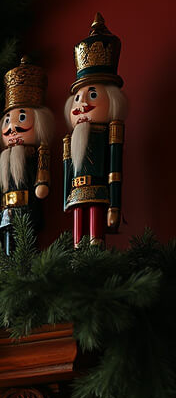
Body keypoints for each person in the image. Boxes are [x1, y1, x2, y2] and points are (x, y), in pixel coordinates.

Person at [63, 13, 127, 248]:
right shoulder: (71, 139)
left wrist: (114, 207)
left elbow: (114, 169)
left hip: (100, 190)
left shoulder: (109, 132)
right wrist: (65, 200)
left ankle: (95, 246)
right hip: (77, 192)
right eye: (78, 97)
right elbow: (68, 169)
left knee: (95, 236)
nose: (80, 104)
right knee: (78, 238)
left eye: (91, 95)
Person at [0, 59, 54, 254]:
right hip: (6, 210)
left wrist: (41, 184)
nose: (12, 128)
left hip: (28, 207)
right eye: (7, 121)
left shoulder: (34, 153)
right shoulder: (3, 156)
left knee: (28, 247)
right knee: (8, 247)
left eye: (21, 118)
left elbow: (39, 181)